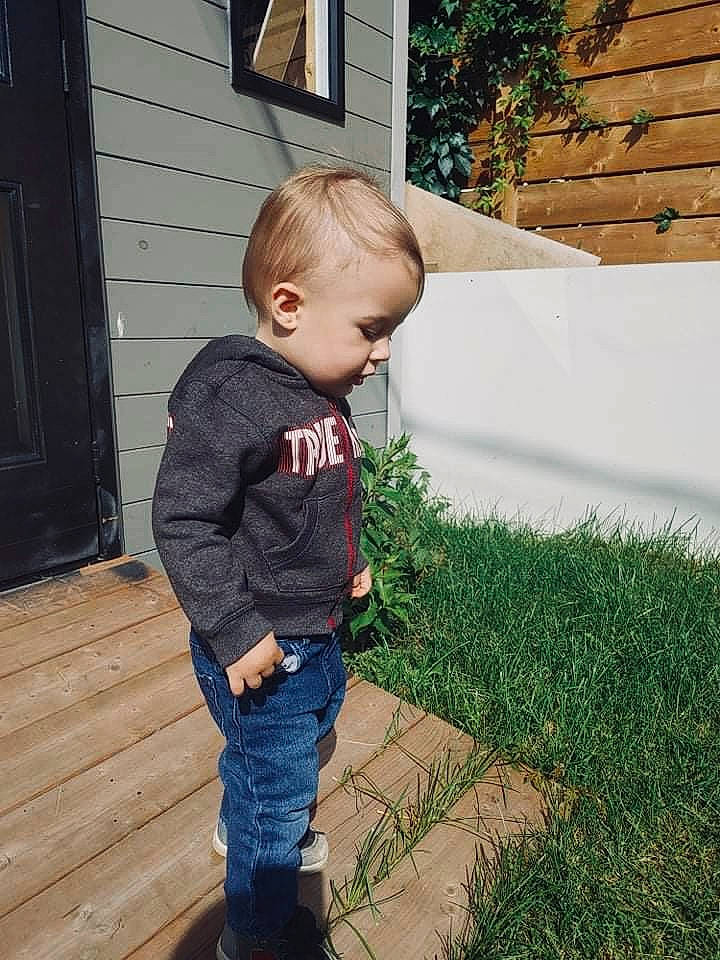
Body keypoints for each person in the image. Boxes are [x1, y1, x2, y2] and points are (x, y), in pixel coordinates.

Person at [152, 164, 424, 960]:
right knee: (280, 794)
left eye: (390, 333)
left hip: (316, 631)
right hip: (261, 648)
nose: (380, 353)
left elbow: (311, 501)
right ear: (289, 304)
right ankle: (257, 932)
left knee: (302, 748)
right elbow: (185, 519)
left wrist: (352, 562)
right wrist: (234, 630)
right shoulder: (233, 396)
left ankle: (253, 811)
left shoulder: (316, 389)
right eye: (371, 328)